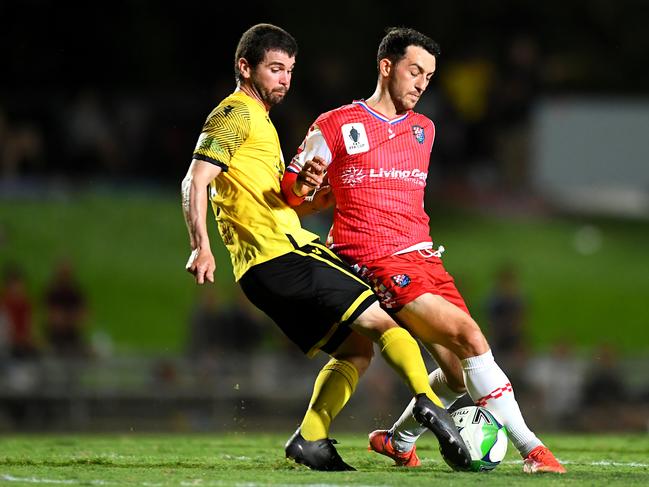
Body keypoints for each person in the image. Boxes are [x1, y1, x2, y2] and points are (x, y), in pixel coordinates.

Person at [181, 23, 470, 472]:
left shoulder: (259, 122)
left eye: (289, 70)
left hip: (258, 272)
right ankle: (431, 406)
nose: (284, 79)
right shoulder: (234, 113)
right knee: (382, 316)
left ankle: (310, 438)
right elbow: (195, 179)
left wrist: (319, 191)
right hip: (285, 253)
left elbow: (274, 196)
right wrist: (200, 245)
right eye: (275, 69)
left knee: (356, 349)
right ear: (245, 67)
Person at [281, 27, 565, 474]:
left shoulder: (424, 130)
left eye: (429, 77)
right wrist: (305, 185)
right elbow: (294, 191)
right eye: (415, 71)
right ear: (386, 66)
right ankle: (534, 450)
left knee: (456, 372)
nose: (420, 83)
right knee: (472, 338)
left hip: (424, 257)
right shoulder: (335, 124)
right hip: (375, 261)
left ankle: (398, 440)